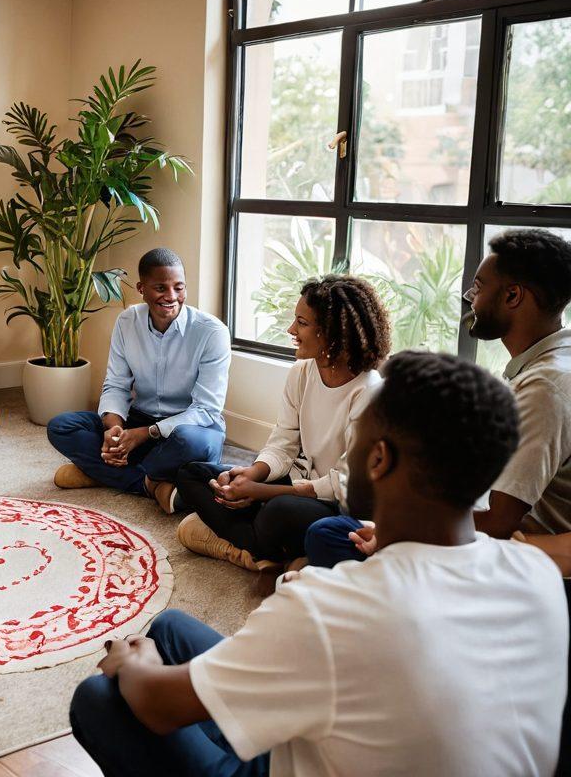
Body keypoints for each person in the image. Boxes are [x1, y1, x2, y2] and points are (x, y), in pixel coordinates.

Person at [70, 350, 566, 777]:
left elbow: (157, 706)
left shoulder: (328, 607)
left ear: (378, 460)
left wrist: (134, 663)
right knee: (174, 627)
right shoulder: (537, 573)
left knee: (101, 697)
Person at [307, 228, 571, 567]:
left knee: (328, 534)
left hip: (504, 553)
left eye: (478, 287)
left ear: (513, 296)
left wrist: (400, 533)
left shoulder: (545, 387)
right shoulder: (551, 358)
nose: (468, 297)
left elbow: (499, 522)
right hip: (476, 521)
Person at [173, 275, 391, 569]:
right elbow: (283, 443)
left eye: (302, 323)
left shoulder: (369, 392)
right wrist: (252, 474)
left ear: (332, 333)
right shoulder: (301, 373)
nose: (291, 330)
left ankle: (249, 544)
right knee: (192, 474)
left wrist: (262, 492)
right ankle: (267, 550)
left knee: (278, 510)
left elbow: (342, 485)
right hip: (298, 480)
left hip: (339, 504)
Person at [46, 248, 230, 511]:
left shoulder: (212, 333)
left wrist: (146, 434)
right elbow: (116, 384)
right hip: (139, 420)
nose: (171, 297)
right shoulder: (126, 321)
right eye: (160, 288)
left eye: (179, 288)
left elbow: (206, 410)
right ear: (141, 288)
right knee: (61, 427)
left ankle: (101, 472)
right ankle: (150, 483)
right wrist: (114, 430)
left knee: (193, 444)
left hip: (189, 428)